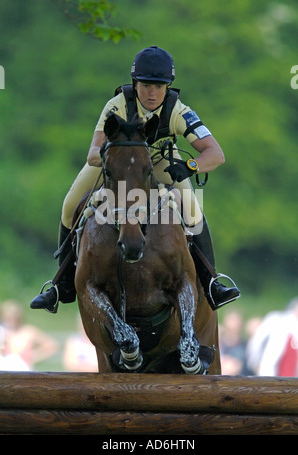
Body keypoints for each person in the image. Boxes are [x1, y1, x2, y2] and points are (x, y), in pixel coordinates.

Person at [30, 45, 240, 314]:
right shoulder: (117, 105)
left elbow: (216, 153)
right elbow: (93, 153)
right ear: (135, 84)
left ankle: (212, 282)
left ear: (168, 87)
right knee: (70, 205)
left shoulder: (178, 110)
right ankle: (61, 284)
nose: (152, 93)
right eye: (145, 86)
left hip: (160, 162)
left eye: (159, 86)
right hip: (117, 163)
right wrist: (118, 156)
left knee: (192, 207)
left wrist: (190, 165)